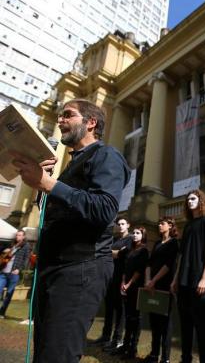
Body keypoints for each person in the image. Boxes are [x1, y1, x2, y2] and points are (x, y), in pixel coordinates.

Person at [11, 99, 130, 363]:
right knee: (45, 352)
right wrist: (41, 186)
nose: (60, 120)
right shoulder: (67, 168)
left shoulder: (106, 156)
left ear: (91, 123)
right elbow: (57, 215)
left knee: (58, 355)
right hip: (54, 268)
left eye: (68, 115)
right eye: (59, 115)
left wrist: (49, 184)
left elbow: (104, 209)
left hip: (81, 269)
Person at [171, 189, 205, 363]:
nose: (189, 201)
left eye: (193, 198)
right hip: (183, 282)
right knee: (185, 325)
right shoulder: (188, 226)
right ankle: (186, 358)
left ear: (201, 201)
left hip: (200, 282)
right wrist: (176, 279)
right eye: (188, 199)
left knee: (204, 327)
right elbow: (181, 256)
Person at [143, 216, 179, 363]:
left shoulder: (174, 243)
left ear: (170, 226)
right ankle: (153, 354)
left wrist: (154, 280)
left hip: (165, 286)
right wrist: (147, 281)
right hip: (152, 286)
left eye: (162, 223)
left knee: (165, 322)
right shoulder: (157, 243)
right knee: (154, 322)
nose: (159, 225)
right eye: (158, 223)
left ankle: (165, 358)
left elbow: (168, 265)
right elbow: (149, 264)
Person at [94, 217, 132, 351]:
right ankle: (105, 336)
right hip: (110, 277)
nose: (120, 226)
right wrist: (114, 252)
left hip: (121, 278)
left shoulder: (130, 239)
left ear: (128, 225)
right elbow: (106, 254)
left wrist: (113, 252)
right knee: (109, 308)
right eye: (119, 224)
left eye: (123, 224)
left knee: (120, 310)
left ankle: (117, 339)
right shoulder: (115, 240)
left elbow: (123, 254)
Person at [112, 226, 149, 360]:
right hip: (126, 286)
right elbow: (125, 267)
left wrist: (128, 284)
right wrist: (123, 282)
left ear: (143, 235)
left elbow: (139, 271)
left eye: (138, 233)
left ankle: (133, 348)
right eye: (133, 233)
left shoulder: (144, 251)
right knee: (128, 317)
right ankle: (125, 345)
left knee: (136, 318)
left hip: (135, 287)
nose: (134, 235)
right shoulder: (129, 250)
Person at [0, 229, 30, 318]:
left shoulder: (26, 246)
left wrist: (19, 269)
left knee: (8, 294)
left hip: (14, 273)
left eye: (20, 235)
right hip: (3, 272)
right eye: (17, 235)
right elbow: (4, 254)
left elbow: (26, 259)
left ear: (24, 236)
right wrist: (5, 250)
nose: (18, 237)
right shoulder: (12, 244)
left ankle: (2, 312)